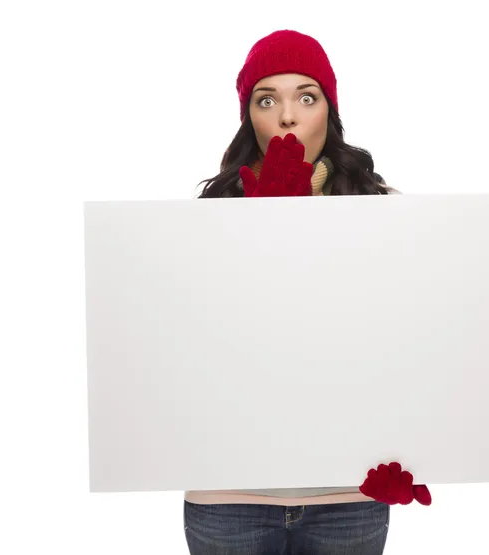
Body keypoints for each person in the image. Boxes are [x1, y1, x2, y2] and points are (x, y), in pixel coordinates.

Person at [184, 29, 431, 555]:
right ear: (249, 115)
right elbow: (185, 352)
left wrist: (414, 446)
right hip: (228, 494)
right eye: (266, 98)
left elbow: (413, 342)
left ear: (329, 110)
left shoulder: (386, 211)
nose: (287, 116)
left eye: (306, 96)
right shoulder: (205, 218)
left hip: (348, 494)